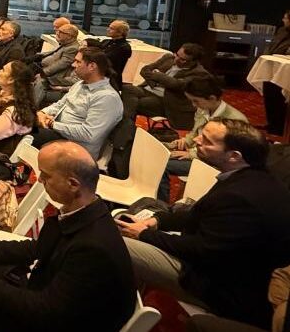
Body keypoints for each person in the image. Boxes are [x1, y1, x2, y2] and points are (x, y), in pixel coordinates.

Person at [0, 141, 136, 332]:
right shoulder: (82, 211)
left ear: (73, 184)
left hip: (51, 319)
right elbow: (37, 249)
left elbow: (45, 312)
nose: (40, 180)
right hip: (45, 289)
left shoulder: (92, 249)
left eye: (46, 176)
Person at [117, 119, 290, 330]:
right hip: (214, 265)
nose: (197, 140)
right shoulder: (252, 177)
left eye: (207, 141)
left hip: (218, 287)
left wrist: (144, 234)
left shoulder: (242, 197)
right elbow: (199, 214)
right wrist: (157, 221)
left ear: (234, 156)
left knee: (118, 243)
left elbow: (201, 249)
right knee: (134, 225)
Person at [156, 75, 246, 200]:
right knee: (156, 152)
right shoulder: (203, 109)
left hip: (214, 164)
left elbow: (223, 153)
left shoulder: (235, 120)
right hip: (199, 153)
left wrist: (192, 154)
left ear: (212, 98)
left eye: (196, 101)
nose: (194, 105)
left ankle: (160, 204)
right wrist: (185, 141)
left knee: (160, 164)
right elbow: (195, 132)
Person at [33, 48, 123, 160]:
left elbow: (89, 134)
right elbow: (60, 105)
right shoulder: (80, 84)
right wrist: (42, 113)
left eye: (78, 62)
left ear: (92, 66)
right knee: (20, 124)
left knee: (26, 133)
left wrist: (52, 124)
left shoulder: (107, 98)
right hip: (59, 133)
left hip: (77, 148)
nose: (73, 65)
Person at [122, 42, 211, 130]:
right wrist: (156, 83)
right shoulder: (168, 58)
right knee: (127, 89)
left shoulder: (199, 73)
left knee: (136, 103)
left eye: (182, 59)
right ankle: (127, 128)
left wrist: (158, 75)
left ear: (194, 61)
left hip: (167, 100)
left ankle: (125, 128)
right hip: (148, 89)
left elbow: (177, 84)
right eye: (177, 55)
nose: (176, 59)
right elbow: (145, 70)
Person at [31, 23, 81, 106]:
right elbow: (53, 53)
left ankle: (31, 108)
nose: (57, 33)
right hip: (46, 70)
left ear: (69, 36)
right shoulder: (66, 44)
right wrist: (38, 56)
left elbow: (62, 64)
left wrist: (43, 73)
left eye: (60, 32)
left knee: (41, 81)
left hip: (58, 76)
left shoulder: (73, 48)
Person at [263, 9, 290, 136]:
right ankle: (271, 122)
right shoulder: (281, 30)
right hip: (273, 65)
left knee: (281, 97)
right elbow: (272, 46)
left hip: (285, 70)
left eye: (286, 18)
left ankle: (279, 127)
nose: (283, 20)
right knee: (269, 92)